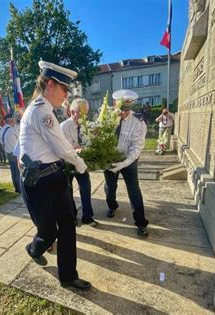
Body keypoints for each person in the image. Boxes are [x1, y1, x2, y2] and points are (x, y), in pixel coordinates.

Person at [19, 60, 91, 290]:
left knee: (68, 225)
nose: (66, 94)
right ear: (50, 84)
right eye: (64, 89)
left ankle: (68, 276)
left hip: (56, 176)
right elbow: (61, 146)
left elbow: (53, 146)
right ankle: (34, 248)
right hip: (38, 181)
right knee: (48, 232)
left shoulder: (47, 110)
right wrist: (80, 164)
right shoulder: (41, 111)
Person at [104, 89, 149, 237]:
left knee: (134, 190)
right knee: (110, 187)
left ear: (130, 108)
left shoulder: (138, 123)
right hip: (110, 159)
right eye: (119, 109)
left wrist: (123, 164)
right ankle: (112, 206)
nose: (121, 113)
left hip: (129, 160)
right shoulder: (107, 118)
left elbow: (136, 150)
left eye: (125, 110)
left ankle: (141, 223)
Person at [60, 98, 98, 227]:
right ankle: (72, 217)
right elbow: (68, 148)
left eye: (86, 113)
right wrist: (79, 149)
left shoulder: (87, 125)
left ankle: (87, 217)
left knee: (86, 188)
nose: (84, 116)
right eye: (80, 113)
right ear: (72, 111)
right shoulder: (64, 126)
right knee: (68, 192)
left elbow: (89, 143)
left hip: (82, 163)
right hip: (68, 163)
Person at [0, 113, 21, 193]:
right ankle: (20, 188)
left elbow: (1, 143)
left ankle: (16, 187)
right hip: (16, 153)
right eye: (14, 120)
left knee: (13, 171)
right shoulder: (13, 129)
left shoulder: (1, 130)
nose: (15, 121)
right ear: (11, 120)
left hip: (8, 152)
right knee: (18, 171)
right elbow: (21, 138)